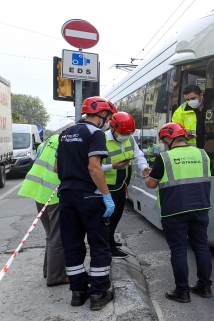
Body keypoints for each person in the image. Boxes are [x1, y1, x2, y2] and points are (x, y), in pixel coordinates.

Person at [54, 97, 117, 310]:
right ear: (101, 114)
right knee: (99, 244)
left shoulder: (64, 134)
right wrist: (107, 195)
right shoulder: (95, 133)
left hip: (67, 195)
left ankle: (78, 292)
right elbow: (94, 167)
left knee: (72, 244)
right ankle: (99, 293)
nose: (108, 121)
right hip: (89, 196)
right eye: (108, 117)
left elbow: (56, 168)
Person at [145, 123, 212, 303]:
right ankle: (205, 287)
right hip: (200, 208)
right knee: (202, 247)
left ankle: (182, 291)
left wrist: (149, 175)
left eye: (163, 141)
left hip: (174, 211)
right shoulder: (203, 154)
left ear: (168, 139)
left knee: (179, 251)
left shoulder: (164, 157)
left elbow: (151, 184)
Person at [17, 134, 68, 287]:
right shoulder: (70, 141)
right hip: (55, 193)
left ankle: (49, 270)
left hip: (39, 190)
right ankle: (56, 276)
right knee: (58, 237)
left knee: (50, 235)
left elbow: (39, 154)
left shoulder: (52, 139)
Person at [103, 112, 151, 259]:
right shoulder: (101, 139)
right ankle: (109, 247)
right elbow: (93, 166)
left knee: (117, 216)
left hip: (122, 184)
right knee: (107, 218)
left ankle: (110, 241)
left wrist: (144, 167)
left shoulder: (129, 139)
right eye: (122, 133)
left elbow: (138, 155)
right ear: (112, 128)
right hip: (107, 186)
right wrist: (112, 166)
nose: (125, 136)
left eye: (128, 133)